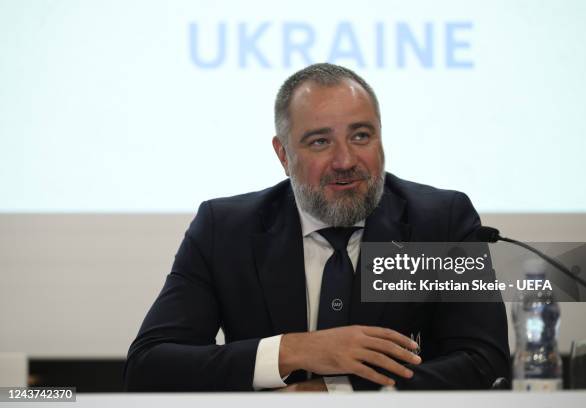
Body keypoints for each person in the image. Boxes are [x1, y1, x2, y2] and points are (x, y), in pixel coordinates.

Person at [124, 63, 510, 392]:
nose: (345, 160)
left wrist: (336, 390)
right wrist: (294, 350)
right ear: (283, 155)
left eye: (361, 135)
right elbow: (149, 367)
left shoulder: (440, 221)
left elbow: (485, 362)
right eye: (320, 141)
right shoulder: (225, 228)